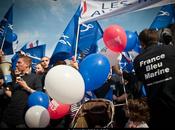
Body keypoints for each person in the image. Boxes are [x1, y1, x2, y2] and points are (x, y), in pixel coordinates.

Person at [133, 28, 175, 128]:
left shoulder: (138, 60)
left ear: (142, 43)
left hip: (157, 110)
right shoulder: (170, 50)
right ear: (157, 39)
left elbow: (138, 85)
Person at [0, 55, 42, 128]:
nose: (16, 64)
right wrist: (3, 86)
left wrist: (26, 87)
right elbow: (12, 95)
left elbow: (39, 95)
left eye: (19, 62)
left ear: (27, 65)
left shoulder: (35, 77)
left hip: (21, 118)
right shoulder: (16, 77)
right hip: (7, 116)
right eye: (17, 62)